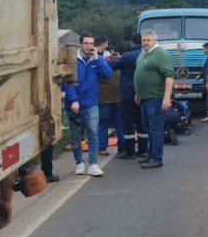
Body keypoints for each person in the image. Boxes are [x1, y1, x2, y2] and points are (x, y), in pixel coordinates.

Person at [63, 32, 112, 177]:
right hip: (74, 104)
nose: (89, 46)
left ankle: (93, 164)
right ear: (80, 44)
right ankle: (79, 162)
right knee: (76, 136)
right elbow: (67, 81)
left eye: (91, 43)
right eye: (86, 43)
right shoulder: (72, 59)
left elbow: (107, 74)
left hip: (91, 103)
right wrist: (73, 100)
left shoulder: (97, 59)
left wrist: (98, 59)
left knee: (93, 133)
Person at [134, 29, 175, 169]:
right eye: (143, 40)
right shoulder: (144, 53)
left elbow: (169, 75)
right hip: (144, 97)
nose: (145, 42)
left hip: (155, 97)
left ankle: (157, 158)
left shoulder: (160, 53)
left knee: (156, 128)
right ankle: (151, 153)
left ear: (155, 40)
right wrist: (138, 93)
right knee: (148, 127)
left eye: (148, 40)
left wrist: (166, 97)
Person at [115, 33, 148, 159]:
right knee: (142, 122)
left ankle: (129, 152)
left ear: (131, 42)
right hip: (143, 93)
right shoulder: (147, 55)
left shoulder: (127, 56)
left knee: (127, 123)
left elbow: (112, 66)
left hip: (127, 94)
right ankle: (143, 150)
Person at [95, 36, 122, 157]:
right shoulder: (117, 62)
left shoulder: (97, 61)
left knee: (103, 124)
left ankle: (102, 147)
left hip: (103, 98)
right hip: (117, 97)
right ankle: (122, 146)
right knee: (118, 123)